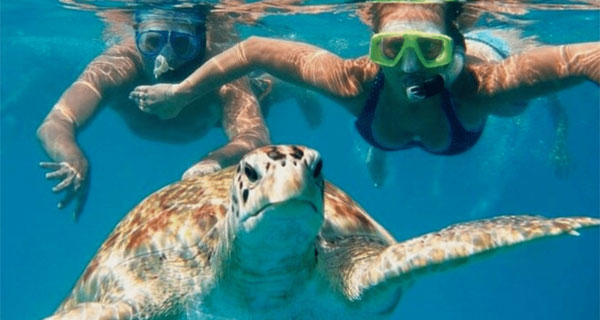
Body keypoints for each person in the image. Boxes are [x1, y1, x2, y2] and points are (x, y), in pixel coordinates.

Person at [129, 2, 600, 186]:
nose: (409, 65)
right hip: (400, 127)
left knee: (517, 101)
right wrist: (182, 93)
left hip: (483, 54)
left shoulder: (476, 90)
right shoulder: (355, 81)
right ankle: (382, 153)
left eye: (429, 50)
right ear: (373, 50)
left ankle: (464, 58)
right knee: (386, 140)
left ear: (448, 49)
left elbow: (585, 56)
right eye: (393, 48)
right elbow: (252, 48)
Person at [37, 7, 270, 219]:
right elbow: (57, 121)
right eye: (152, 42)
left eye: (181, 44)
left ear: (201, 40)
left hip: (233, 110)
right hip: (207, 118)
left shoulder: (220, 68)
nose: (166, 59)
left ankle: (288, 90)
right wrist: (72, 157)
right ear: (136, 35)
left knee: (269, 88)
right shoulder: (118, 64)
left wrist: (214, 160)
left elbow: (255, 134)